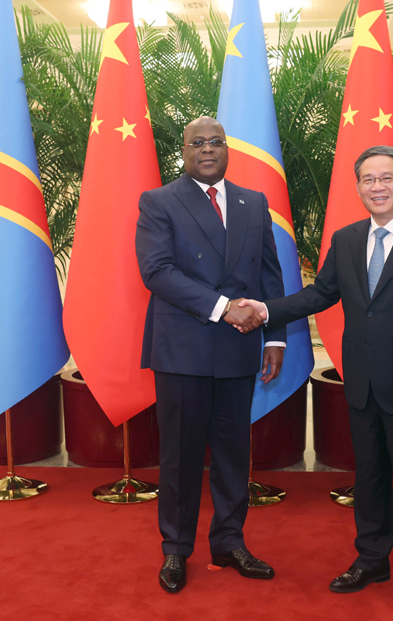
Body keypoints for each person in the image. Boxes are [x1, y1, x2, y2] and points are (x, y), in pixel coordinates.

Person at [241, 145, 393, 615]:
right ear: (359, 187)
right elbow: (320, 294)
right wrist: (265, 310)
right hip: (361, 383)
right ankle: (372, 560)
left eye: (386, 178)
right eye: (368, 179)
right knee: (370, 479)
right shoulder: (346, 240)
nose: (377, 187)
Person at [135, 116, 286, 593]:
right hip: (183, 351)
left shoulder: (253, 202)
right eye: (197, 142)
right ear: (183, 151)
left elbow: (269, 274)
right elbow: (156, 271)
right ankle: (176, 549)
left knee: (233, 454)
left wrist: (276, 338)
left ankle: (229, 543)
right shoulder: (159, 201)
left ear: (227, 150)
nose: (206, 149)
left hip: (239, 350)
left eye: (215, 142)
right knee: (180, 457)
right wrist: (224, 308)